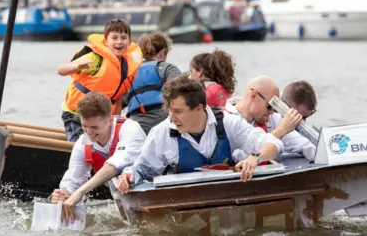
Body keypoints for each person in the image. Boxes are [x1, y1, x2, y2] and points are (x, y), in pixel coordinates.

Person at [116, 74, 302, 194]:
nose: (171, 118)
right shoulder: (161, 133)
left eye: (178, 111)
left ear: (199, 109)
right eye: (169, 110)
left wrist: (254, 158)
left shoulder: (228, 123)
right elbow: (141, 168)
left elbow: (273, 144)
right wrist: (128, 176)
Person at [51, 91, 145, 218]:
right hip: (123, 195)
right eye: (84, 126)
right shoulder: (82, 144)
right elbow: (73, 180)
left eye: (95, 127)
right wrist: (63, 195)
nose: (89, 132)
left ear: (110, 120)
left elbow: (115, 164)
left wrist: (80, 193)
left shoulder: (130, 129)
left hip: (149, 188)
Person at [58, 19, 143, 142]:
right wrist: (77, 67)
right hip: (76, 114)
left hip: (100, 118)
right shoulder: (95, 59)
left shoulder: (126, 66)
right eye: (114, 38)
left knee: (103, 148)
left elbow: (117, 98)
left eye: (123, 38)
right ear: (105, 41)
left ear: (129, 42)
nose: (119, 42)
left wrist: (116, 124)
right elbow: (61, 70)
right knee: (81, 147)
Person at [225, 76, 316, 162]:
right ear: (253, 96)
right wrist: (281, 130)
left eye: (274, 107)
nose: (272, 112)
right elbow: (244, 157)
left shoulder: (273, 120)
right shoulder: (226, 121)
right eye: (269, 106)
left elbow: (307, 146)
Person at [125, 32, 181, 135]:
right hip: (162, 121)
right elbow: (179, 90)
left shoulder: (130, 72)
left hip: (134, 124)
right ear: (163, 53)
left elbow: (121, 100)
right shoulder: (167, 68)